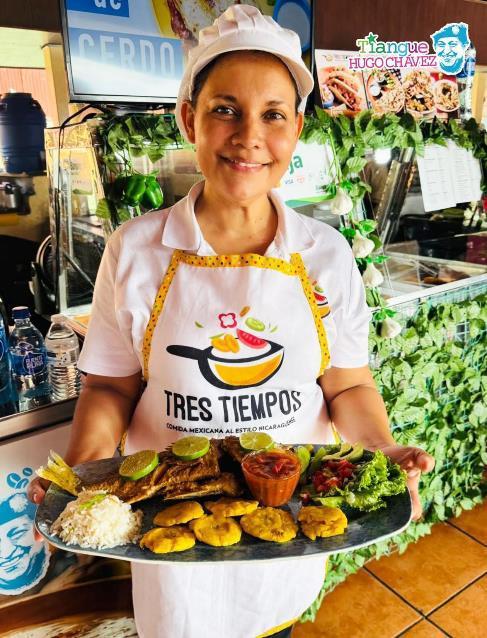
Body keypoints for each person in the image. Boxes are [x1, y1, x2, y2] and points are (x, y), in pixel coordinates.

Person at [29, 5, 434, 637]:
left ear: (297, 128)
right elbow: (110, 387)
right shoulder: (134, 249)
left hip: (288, 527)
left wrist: (379, 451)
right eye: (225, 109)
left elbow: (348, 385)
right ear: (188, 118)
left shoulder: (325, 255)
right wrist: (82, 477)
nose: (250, 136)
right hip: (171, 529)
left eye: (273, 114)